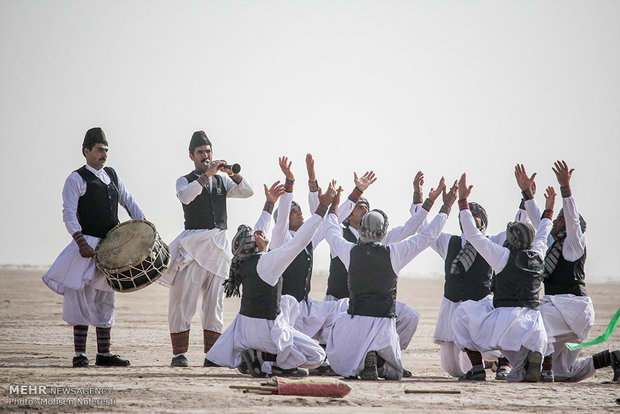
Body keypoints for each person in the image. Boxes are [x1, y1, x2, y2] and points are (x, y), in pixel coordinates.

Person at [324, 177, 457, 380]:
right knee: (394, 373)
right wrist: (445, 207)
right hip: (384, 325)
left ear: (362, 230)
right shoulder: (394, 253)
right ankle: (378, 359)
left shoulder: (349, 251)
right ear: (384, 232)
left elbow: (330, 229)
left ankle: (368, 358)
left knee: (340, 323)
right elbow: (426, 237)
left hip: (355, 321)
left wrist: (333, 205)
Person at [205, 180, 339, 376]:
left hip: (244, 333)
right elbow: (300, 240)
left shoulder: (245, 261)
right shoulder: (270, 263)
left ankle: (258, 356)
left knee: (289, 302)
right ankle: (272, 362)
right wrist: (323, 207)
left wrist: (269, 204)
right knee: (317, 355)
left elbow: (262, 226)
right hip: (265, 332)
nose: (259, 231)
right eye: (255, 234)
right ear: (254, 244)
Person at [42, 127, 144, 367]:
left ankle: (104, 354)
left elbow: (129, 202)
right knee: (81, 298)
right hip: (86, 246)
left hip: (110, 247)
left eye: (106, 150)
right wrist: (80, 242)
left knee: (106, 297)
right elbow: (68, 213)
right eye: (99, 150)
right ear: (86, 151)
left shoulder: (112, 176)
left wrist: (145, 227)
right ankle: (79, 355)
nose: (104, 154)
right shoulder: (76, 178)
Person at [516, 161, 620, 382]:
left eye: (560, 219)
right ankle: (614, 359)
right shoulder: (554, 241)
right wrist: (526, 193)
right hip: (563, 310)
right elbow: (539, 220)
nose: (557, 221)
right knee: (566, 372)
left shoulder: (574, 244)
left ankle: (543, 370)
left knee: (536, 321)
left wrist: (565, 188)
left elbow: (573, 219)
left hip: (572, 308)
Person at [159, 131, 254, 367]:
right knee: (183, 301)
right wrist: (206, 176)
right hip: (194, 247)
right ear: (191, 155)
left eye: (208, 151)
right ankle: (179, 355)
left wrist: (231, 172)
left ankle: (213, 355)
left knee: (215, 304)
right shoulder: (185, 180)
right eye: (201, 152)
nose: (206, 155)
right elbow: (186, 197)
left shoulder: (222, 180)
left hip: (219, 248)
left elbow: (248, 191)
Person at [452, 173, 554, 382]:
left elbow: (473, 235)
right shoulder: (538, 253)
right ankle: (530, 363)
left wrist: (463, 202)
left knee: (463, 313)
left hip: (504, 319)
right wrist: (547, 206)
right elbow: (544, 229)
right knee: (516, 376)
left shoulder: (502, 256)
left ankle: (477, 368)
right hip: (533, 323)